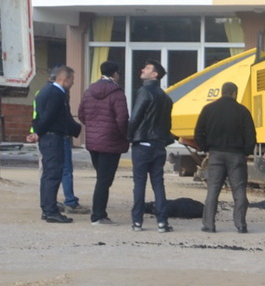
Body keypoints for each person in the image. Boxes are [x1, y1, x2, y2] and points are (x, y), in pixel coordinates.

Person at [191, 86, 258, 232]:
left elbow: (198, 131)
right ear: (235, 93)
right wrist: (246, 151)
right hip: (236, 155)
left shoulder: (209, 109)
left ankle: (209, 224)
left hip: (215, 154)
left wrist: (205, 147)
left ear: (222, 92)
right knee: (239, 190)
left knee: (213, 190)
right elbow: (251, 134)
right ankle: (240, 224)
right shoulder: (242, 111)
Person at [78, 58, 130, 224]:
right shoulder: (117, 93)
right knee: (104, 181)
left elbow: (81, 114)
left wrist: (94, 128)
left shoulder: (89, 91)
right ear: (116, 74)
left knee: (101, 178)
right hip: (111, 142)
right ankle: (98, 215)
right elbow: (122, 119)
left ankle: (99, 213)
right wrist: (125, 135)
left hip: (93, 142)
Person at [127, 60, 175, 232]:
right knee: (158, 183)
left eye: (147, 68)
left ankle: (137, 221)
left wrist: (129, 136)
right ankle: (162, 222)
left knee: (139, 183)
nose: (142, 69)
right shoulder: (166, 97)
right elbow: (167, 124)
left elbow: (135, 117)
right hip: (159, 144)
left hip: (143, 142)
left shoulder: (145, 92)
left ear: (155, 74)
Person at [32, 65, 81, 223]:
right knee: (53, 174)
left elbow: (40, 116)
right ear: (64, 79)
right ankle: (50, 211)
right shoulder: (57, 93)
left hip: (48, 137)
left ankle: (47, 208)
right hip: (53, 138)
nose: (73, 83)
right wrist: (39, 132)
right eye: (72, 80)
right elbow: (50, 117)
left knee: (48, 174)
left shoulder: (44, 91)